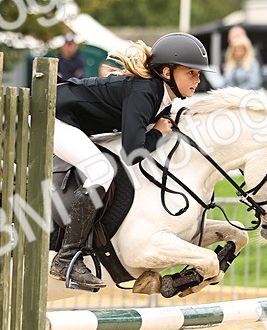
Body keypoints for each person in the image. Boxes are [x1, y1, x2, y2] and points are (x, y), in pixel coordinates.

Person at [50, 32, 211, 289]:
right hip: (55, 116)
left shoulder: (162, 98)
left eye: (199, 74)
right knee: (101, 170)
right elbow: (132, 152)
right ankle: (66, 257)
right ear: (167, 72)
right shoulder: (145, 92)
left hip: (75, 121)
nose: (197, 79)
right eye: (190, 72)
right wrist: (157, 133)